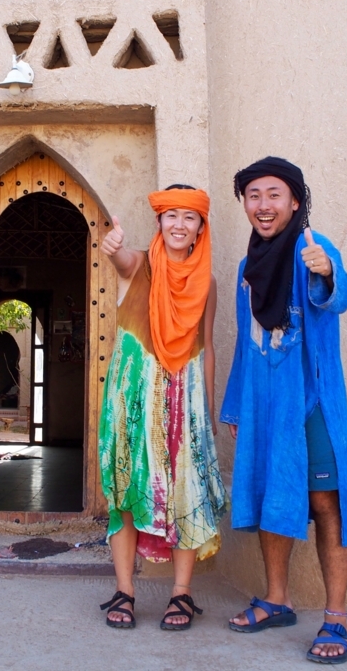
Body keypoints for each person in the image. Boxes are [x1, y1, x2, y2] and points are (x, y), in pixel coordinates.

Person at [220, 157, 347, 664]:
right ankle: (277, 599)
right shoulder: (246, 268)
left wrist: (327, 274)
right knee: (271, 493)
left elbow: (337, 295)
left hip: (311, 400)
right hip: (263, 402)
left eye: (274, 194)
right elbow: (244, 340)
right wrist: (235, 402)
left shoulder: (311, 250)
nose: (263, 205)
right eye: (253, 195)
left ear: (295, 201)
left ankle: (337, 617)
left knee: (325, 503)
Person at [98, 185, 227, 631]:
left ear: (199, 229)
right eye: (170, 216)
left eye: (188, 218)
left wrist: (207, 411)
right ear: (159, 223)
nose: (178, 225)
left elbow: (207, 347)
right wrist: (112, 248)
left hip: (184, 397)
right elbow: (122, 261)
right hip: (132, 395)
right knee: (127, 486)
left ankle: (181, 593)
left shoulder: (207, 281)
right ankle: (124, 590)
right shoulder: (138, 265)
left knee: (185, 489)